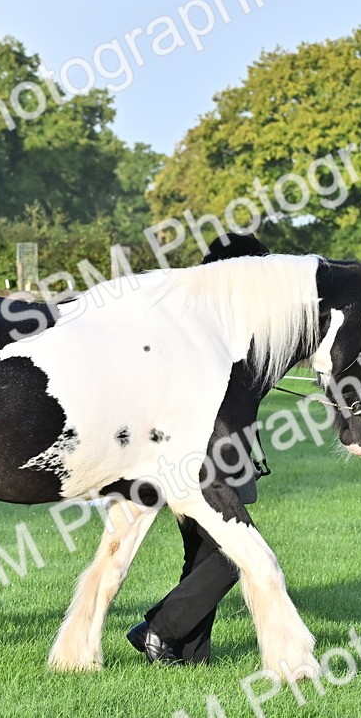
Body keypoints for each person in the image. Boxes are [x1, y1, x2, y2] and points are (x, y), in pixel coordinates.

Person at [125, 234, 265, 666]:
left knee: (204, 554)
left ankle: (188, 653)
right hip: (210, 454)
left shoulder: (196, 316)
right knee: (234, 553)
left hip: (207, 451)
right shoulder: (224, 322)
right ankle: (157, 630)